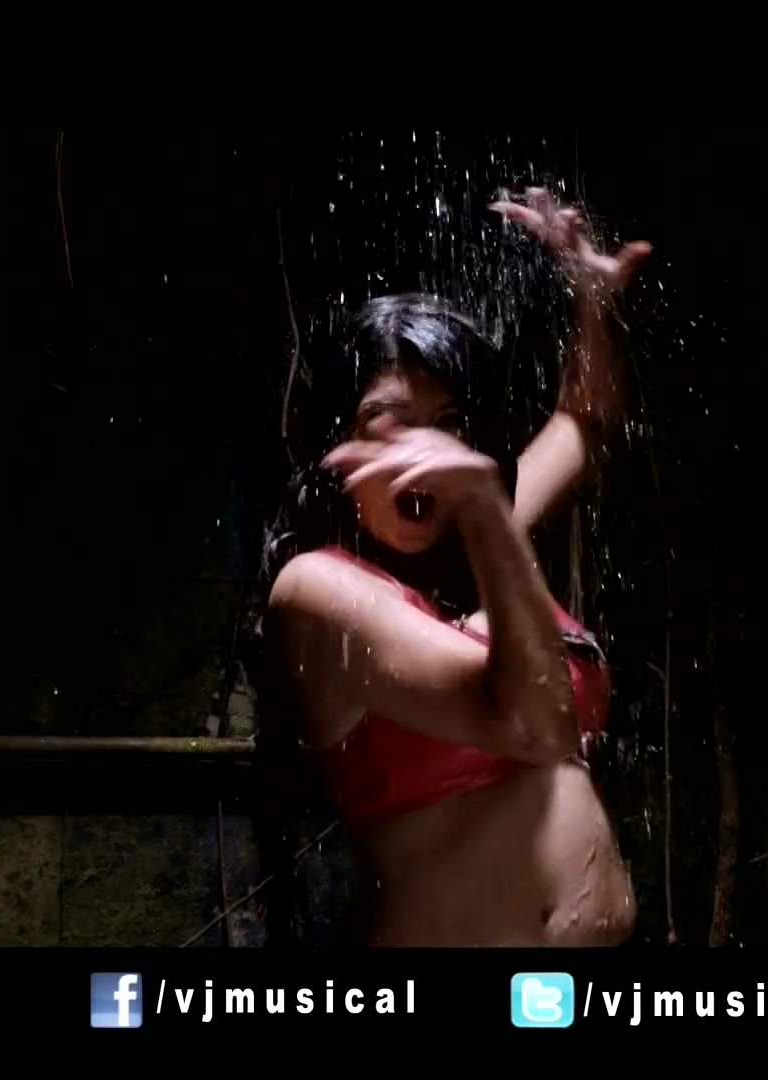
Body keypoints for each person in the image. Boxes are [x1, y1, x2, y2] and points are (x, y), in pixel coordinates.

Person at [253, 188, 652, 946]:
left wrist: (592, 302)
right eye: (389, 423)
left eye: (449, 425)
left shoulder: (477, 526)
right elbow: (532, 726)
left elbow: (585, 422)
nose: (425, 453)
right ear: (336, 444)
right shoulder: (316, 588)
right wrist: (486, 508)